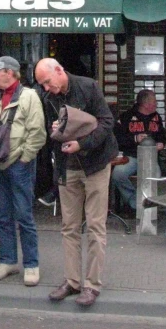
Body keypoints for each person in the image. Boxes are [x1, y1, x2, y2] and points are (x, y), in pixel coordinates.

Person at [35, 57, 117, 308]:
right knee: (69, 227)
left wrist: (83, 144)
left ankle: (92, 285)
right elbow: (54, 136)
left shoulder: (88, 87)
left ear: (60, 70)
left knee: (95, 226)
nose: (46, 89)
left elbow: (106, 122)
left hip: (95, 165)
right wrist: (55, 131)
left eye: (47, 82)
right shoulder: (49, 98)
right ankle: (72, 281)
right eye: (42, 85)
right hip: (67, 167)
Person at [0, 56, 46, 287]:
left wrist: (24, 159)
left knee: (24, 215)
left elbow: (37, 132)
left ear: (10, 72)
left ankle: (31, 265)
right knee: (2, 215)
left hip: (18, 164)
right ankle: (8, 261)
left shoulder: (29, 97)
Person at [112, 89, 166, 216]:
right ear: (145, 104)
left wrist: (161, 143)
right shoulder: (126, 117)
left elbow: (162, 136)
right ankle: (134, 203)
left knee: (155, 176)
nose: (156, 104)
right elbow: (117, 139)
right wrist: (135, 139)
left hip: (151, 157)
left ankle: (141, 205)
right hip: (131, 156)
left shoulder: (156, 117)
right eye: (154, 101)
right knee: (117, 174)